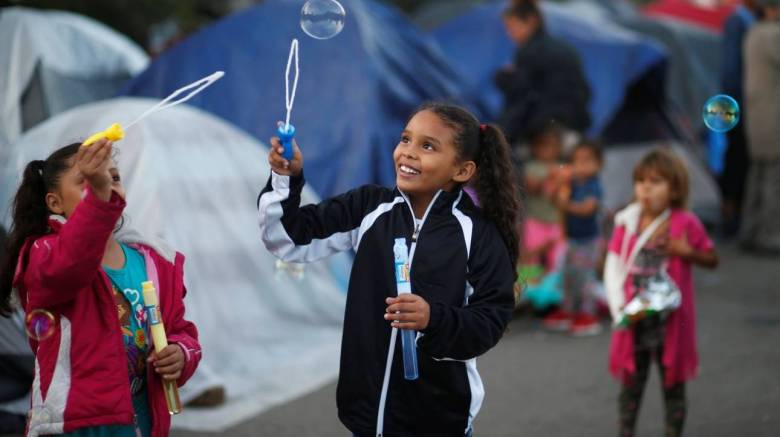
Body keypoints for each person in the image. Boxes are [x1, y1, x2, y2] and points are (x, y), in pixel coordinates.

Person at [257, 102, 519, 436]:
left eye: (427, 146)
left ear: (462, 171)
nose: (408, 153)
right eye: (405, 139)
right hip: (366, 417)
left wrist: (433, 318)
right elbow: (287, 239)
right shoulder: (368, 207)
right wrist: (285, 178)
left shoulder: (478, 234)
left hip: (438, 421)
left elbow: (491, 319)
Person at [0, 140, 201, 436]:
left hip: (143, 421)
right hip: (76, 424)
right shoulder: (44, 253)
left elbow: (180, 330)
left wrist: (181, 353)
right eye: (88, 181)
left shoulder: (153, 261)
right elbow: (71, 264)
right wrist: (99, 198)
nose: (105, 185)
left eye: (113, 178)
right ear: (55, 203)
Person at [604, 149, 718, 437]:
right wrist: (617, 306)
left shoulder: (685, 222)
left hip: (671, 323)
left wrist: (686, 252)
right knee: (630, 388)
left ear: (675, 188)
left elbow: (712, 259)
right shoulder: (628, 221)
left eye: (655, 181)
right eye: (640, 181)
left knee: (673, 387)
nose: (645, 188)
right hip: (636, 319)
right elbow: (613, 265)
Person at [495, 0, 591, 145]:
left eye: (512, 28)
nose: (510, 34)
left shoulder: (530, 51)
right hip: (572, 125)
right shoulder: (563, 47)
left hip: (543, 129)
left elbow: (521, 92)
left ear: (531, 21)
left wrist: (503, 77)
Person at [543, 140, 603, 335]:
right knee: (569, 276)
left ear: (598, 164)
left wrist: (565, 204)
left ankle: (588, 313)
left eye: (587, 160)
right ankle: (569, 310)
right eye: (576, 161)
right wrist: (557, 186)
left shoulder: (593, 185)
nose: (580, 166)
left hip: (589, 241)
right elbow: (553, 201)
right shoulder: (572, 183)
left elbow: (588, 209)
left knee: (585, 278)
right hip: (572, 239)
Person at [741, 0, 780, 254]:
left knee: (757, 176)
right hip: (773, 117)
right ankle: (770, 236)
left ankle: (749, 231)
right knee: (773, 179)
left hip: (756, 116)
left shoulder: (753, 32)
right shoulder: (773, 34)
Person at [718, 0, 760, 236]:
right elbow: (730, 71)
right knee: (736, 161)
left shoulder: (749, 20)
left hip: (746, 104)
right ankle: (731, 216)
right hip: (741, 106)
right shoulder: (739, 21)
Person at [521, 123, 566, 272]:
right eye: (544, 146)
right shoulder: (532, 167)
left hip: (555, 222)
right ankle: (527, 289)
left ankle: (552, 290)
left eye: (552, 146)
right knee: (531, 257)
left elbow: (564, 196)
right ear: (534, 148)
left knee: (556, 258)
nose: (548, 151)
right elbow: (532, 187)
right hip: (535, 221)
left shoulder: (562, 168)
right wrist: (549, 176)